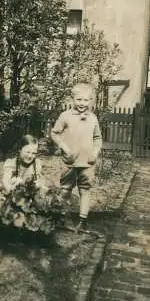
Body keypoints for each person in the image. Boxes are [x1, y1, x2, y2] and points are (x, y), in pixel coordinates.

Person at [50, 82, 102, 233]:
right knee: (65, 189)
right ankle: (59, 217)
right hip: (70, 162)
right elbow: (54, 133)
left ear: (91, 101)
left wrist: (95, 152)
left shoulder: (93, 118)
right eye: (79, 99)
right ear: (72, 99)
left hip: (88, 163)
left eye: (86, 100)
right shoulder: (65, 116)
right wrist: (64, 147)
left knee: (85, 190)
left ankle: (82, 220)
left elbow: (98, 138)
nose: (82, 103)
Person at [0, 134, 47, 201]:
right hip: (11, 192)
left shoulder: (36, 163)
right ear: (20, 150)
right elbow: (5, 182)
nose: (30, 156)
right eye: (27, 152)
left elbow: (38, 181)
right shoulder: (11, 163)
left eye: (34, 153)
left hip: (29, 193)